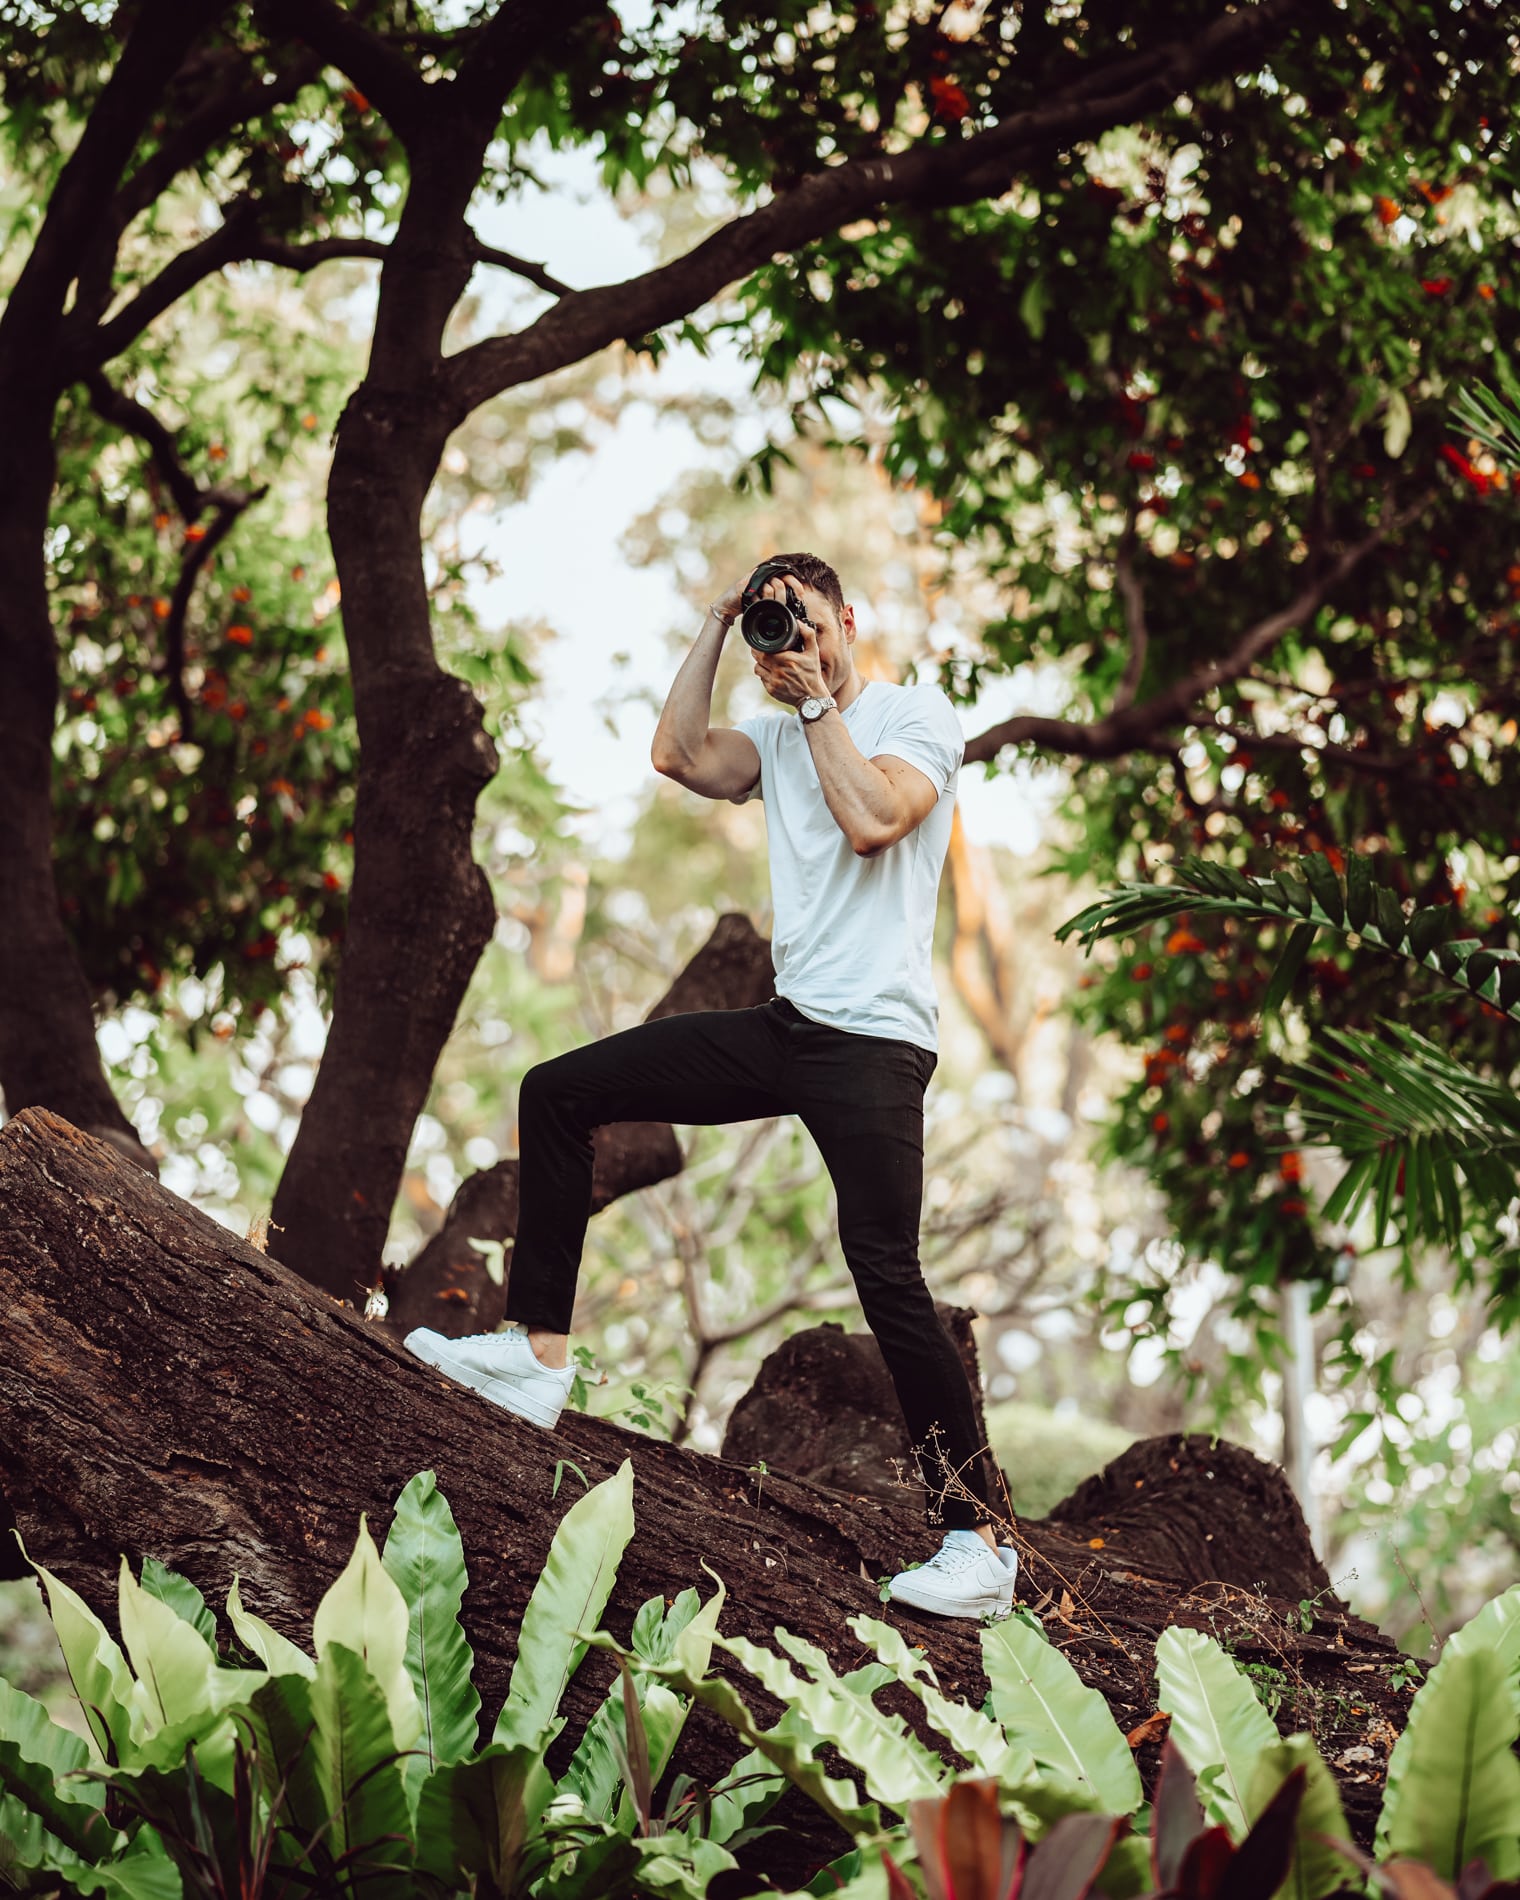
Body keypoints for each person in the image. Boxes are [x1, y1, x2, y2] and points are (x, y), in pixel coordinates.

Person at [406, 553, 1017, 1620]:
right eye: (779, 626)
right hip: (788, 1027)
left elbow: (876, 818)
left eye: (809, 621)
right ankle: (536, 1354)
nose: (797, 641)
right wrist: (716, 622)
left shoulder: (913, 716)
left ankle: (976, 1543)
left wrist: (817, 703)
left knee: (886, 1274)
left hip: (874, 1044)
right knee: (557, 1090)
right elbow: (677, 753)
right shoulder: (777, 738)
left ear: (848, 621)